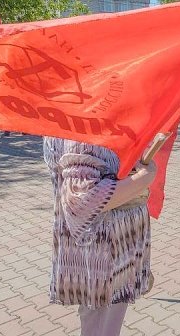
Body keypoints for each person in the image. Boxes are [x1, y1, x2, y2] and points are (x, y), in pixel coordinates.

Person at [43, 137, 158, 336]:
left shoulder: (86, 121)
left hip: (109, 251)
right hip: (105, 252)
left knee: (96, 320)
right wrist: (145, 177)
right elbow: (82, 201)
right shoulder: (86, 128)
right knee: (102, 324)